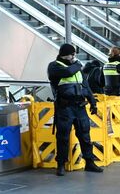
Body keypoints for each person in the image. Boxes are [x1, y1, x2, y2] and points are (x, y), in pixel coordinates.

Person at [47, 44, 103, 176]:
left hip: (80, 107)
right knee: (63, 137)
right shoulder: (54, 66)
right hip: (65, 107)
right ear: (63, 54)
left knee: (85, 136)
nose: (74, 57)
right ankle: (61, 164)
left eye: (74, 54)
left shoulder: (76, 67)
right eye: (71, 54)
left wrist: (93, 102)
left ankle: (89, 162)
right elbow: (67, 72)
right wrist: (78, 65)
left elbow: (86, 86)